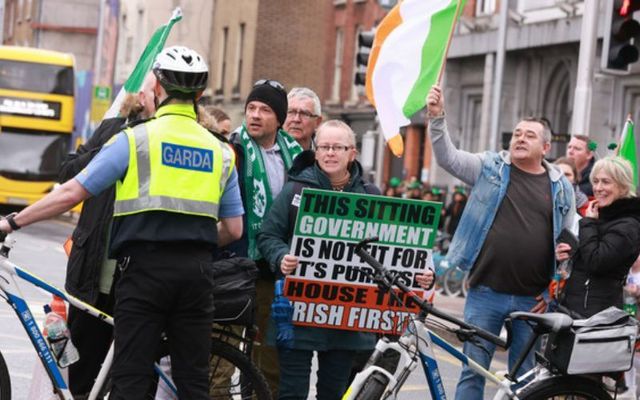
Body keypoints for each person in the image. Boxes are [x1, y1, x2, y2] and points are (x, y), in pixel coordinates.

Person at [0, 46, 244, 399]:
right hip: (197, 275)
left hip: (144, 274)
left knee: (130, 377)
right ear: (200, 95)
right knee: (193, 380)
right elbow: (233, 229)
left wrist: (12, 221)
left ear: (158, 88)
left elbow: (71, 192)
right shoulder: (221, 150)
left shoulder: (136, 140)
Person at [256, 120, 434, 399]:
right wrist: (281, 257)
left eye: (337, 147)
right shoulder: (294, 191)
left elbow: (395, 249)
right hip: (298, 311)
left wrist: (418, 275)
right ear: (315, 152)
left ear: (353, 153)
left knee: (335, 393)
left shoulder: (372, 196)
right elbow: (268, 236)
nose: (329, 153)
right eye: (324, 146)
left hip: (346, 318)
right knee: (291, 392)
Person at [426, 85, 575, 399]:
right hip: (485, 293)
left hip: (532, 300)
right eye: (517, 133)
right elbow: (448, 159)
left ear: (546, 147)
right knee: (473, 370)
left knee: (525, 380)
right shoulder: (490, 168)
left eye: (529, 135)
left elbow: (568, 246)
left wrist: (551, 290)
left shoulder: (562, 188)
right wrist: (437, 118)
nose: (520, 138)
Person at [57, 74, 157, 398]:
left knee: (127, 376)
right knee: (82, 372)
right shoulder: (114, 128)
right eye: (147, 88)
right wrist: (111, 146)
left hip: (138, 276)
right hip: (93, 273)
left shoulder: (165, 139)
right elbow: (68, 173)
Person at [226, 79, 303, 397]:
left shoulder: (297, 156)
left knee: (267, 361)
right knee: (224, 356)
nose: (255, 115)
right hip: (234, 264)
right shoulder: (232, 149)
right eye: (251, 108)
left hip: (275, 270)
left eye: (265, 110)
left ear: (280, 119)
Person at [556, 156, 640, 318]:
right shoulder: (601, 217)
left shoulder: (628, 225)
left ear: (623, 186)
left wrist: (588, 223)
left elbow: (596, 261)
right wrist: (566, 255)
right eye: (595, 181)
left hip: (595, 315)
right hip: (578, 308)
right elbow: (587, 259)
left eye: (606, 182)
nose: (598, 188)